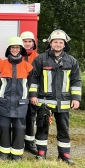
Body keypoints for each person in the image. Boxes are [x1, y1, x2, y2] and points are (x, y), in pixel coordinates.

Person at [29, 29, 81, 166]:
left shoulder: (72, 61)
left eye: (60, 42)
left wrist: (76, 98)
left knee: (64, 129)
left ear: (64, 44)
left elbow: (76, 81)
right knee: (42, 128)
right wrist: (33, 95)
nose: (58, 44)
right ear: (50, 43)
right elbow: (33, 78)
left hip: (63, 103)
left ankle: (64, 154)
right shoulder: (41, 59)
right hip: (44, 102)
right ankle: (41, 152)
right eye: (55, 42)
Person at [0, 37, 33, 161]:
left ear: (21, 50)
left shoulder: (28, 67)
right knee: (4, 127)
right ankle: (4, 153)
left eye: (17, 48)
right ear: (9, 49)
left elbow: (31, 86)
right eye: (13, 47)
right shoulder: (1, 64)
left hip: (20, 104)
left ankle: (17, 154)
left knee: (19, 128)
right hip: (4, 102)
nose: (15, 50)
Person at [20, 31, 39, 155]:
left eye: (29, 41)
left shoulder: (39, 58)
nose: (27, 43)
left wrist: (35, 94)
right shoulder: (15, 56)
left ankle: (30, 143)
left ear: (33, 43)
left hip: (32, 94)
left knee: (31, 118)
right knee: (19, 118)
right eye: (25, 41)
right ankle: (19, 141)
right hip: (19, 93)